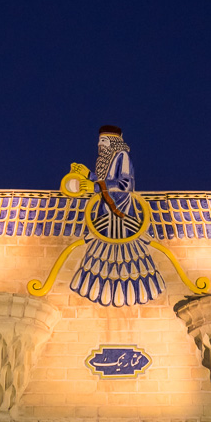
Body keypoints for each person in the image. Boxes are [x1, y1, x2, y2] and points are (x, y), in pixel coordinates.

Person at [69, 126, 165, 306]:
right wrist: (88, 175)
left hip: (121, 216)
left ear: (114, 142)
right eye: (99, 140)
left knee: (126, 259)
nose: (99, 144)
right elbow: (106, 180)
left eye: (104, 140)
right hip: (104, 216)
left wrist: (94, 187)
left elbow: (124, 184)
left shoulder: (122, 156)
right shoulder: (110, 160)